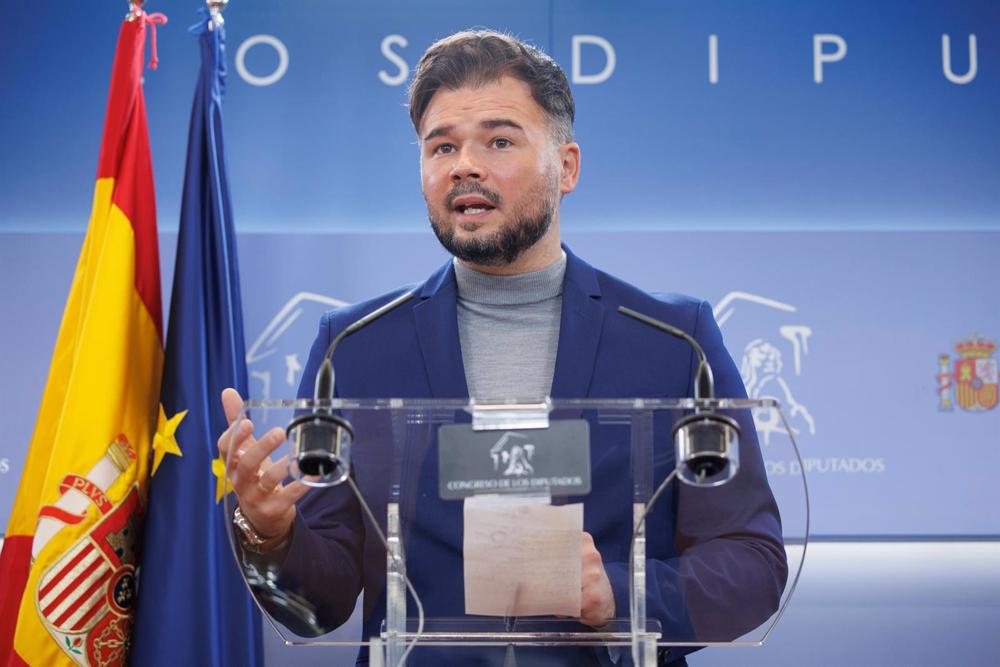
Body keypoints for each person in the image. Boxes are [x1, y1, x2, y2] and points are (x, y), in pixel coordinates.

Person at [218, 30, 787, 666]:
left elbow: (751, 562)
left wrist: (620, 596)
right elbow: (319, 604)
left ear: (566, 167)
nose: (464, 165)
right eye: (442, 146)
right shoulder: (351, 348)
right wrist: (272, 533)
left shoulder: (675, 341)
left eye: (499, 141)